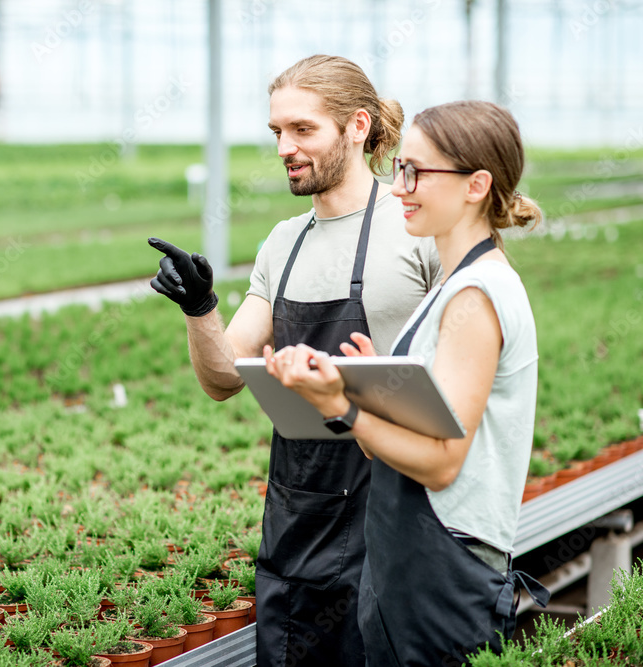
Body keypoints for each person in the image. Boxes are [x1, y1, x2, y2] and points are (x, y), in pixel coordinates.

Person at [148, 55, 440, 666]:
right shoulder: (285, 241)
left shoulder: (418, 229)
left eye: (303, 130)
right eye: (277, 131)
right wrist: (199, 308)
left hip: (394, 506)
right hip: (299, 515)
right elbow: (225, 377)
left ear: (357, 127)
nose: (284, 146)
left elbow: (466, 376)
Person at [263, 100, 551, 665]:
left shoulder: (475, 296)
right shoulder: (456, 286)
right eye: (400, 170)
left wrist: (344, 406)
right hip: (412, 564)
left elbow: (443, 463)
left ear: (476, 186)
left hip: (443, 569)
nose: (400, 188)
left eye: (417, 172)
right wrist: (374, 389)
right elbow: (397, 445)